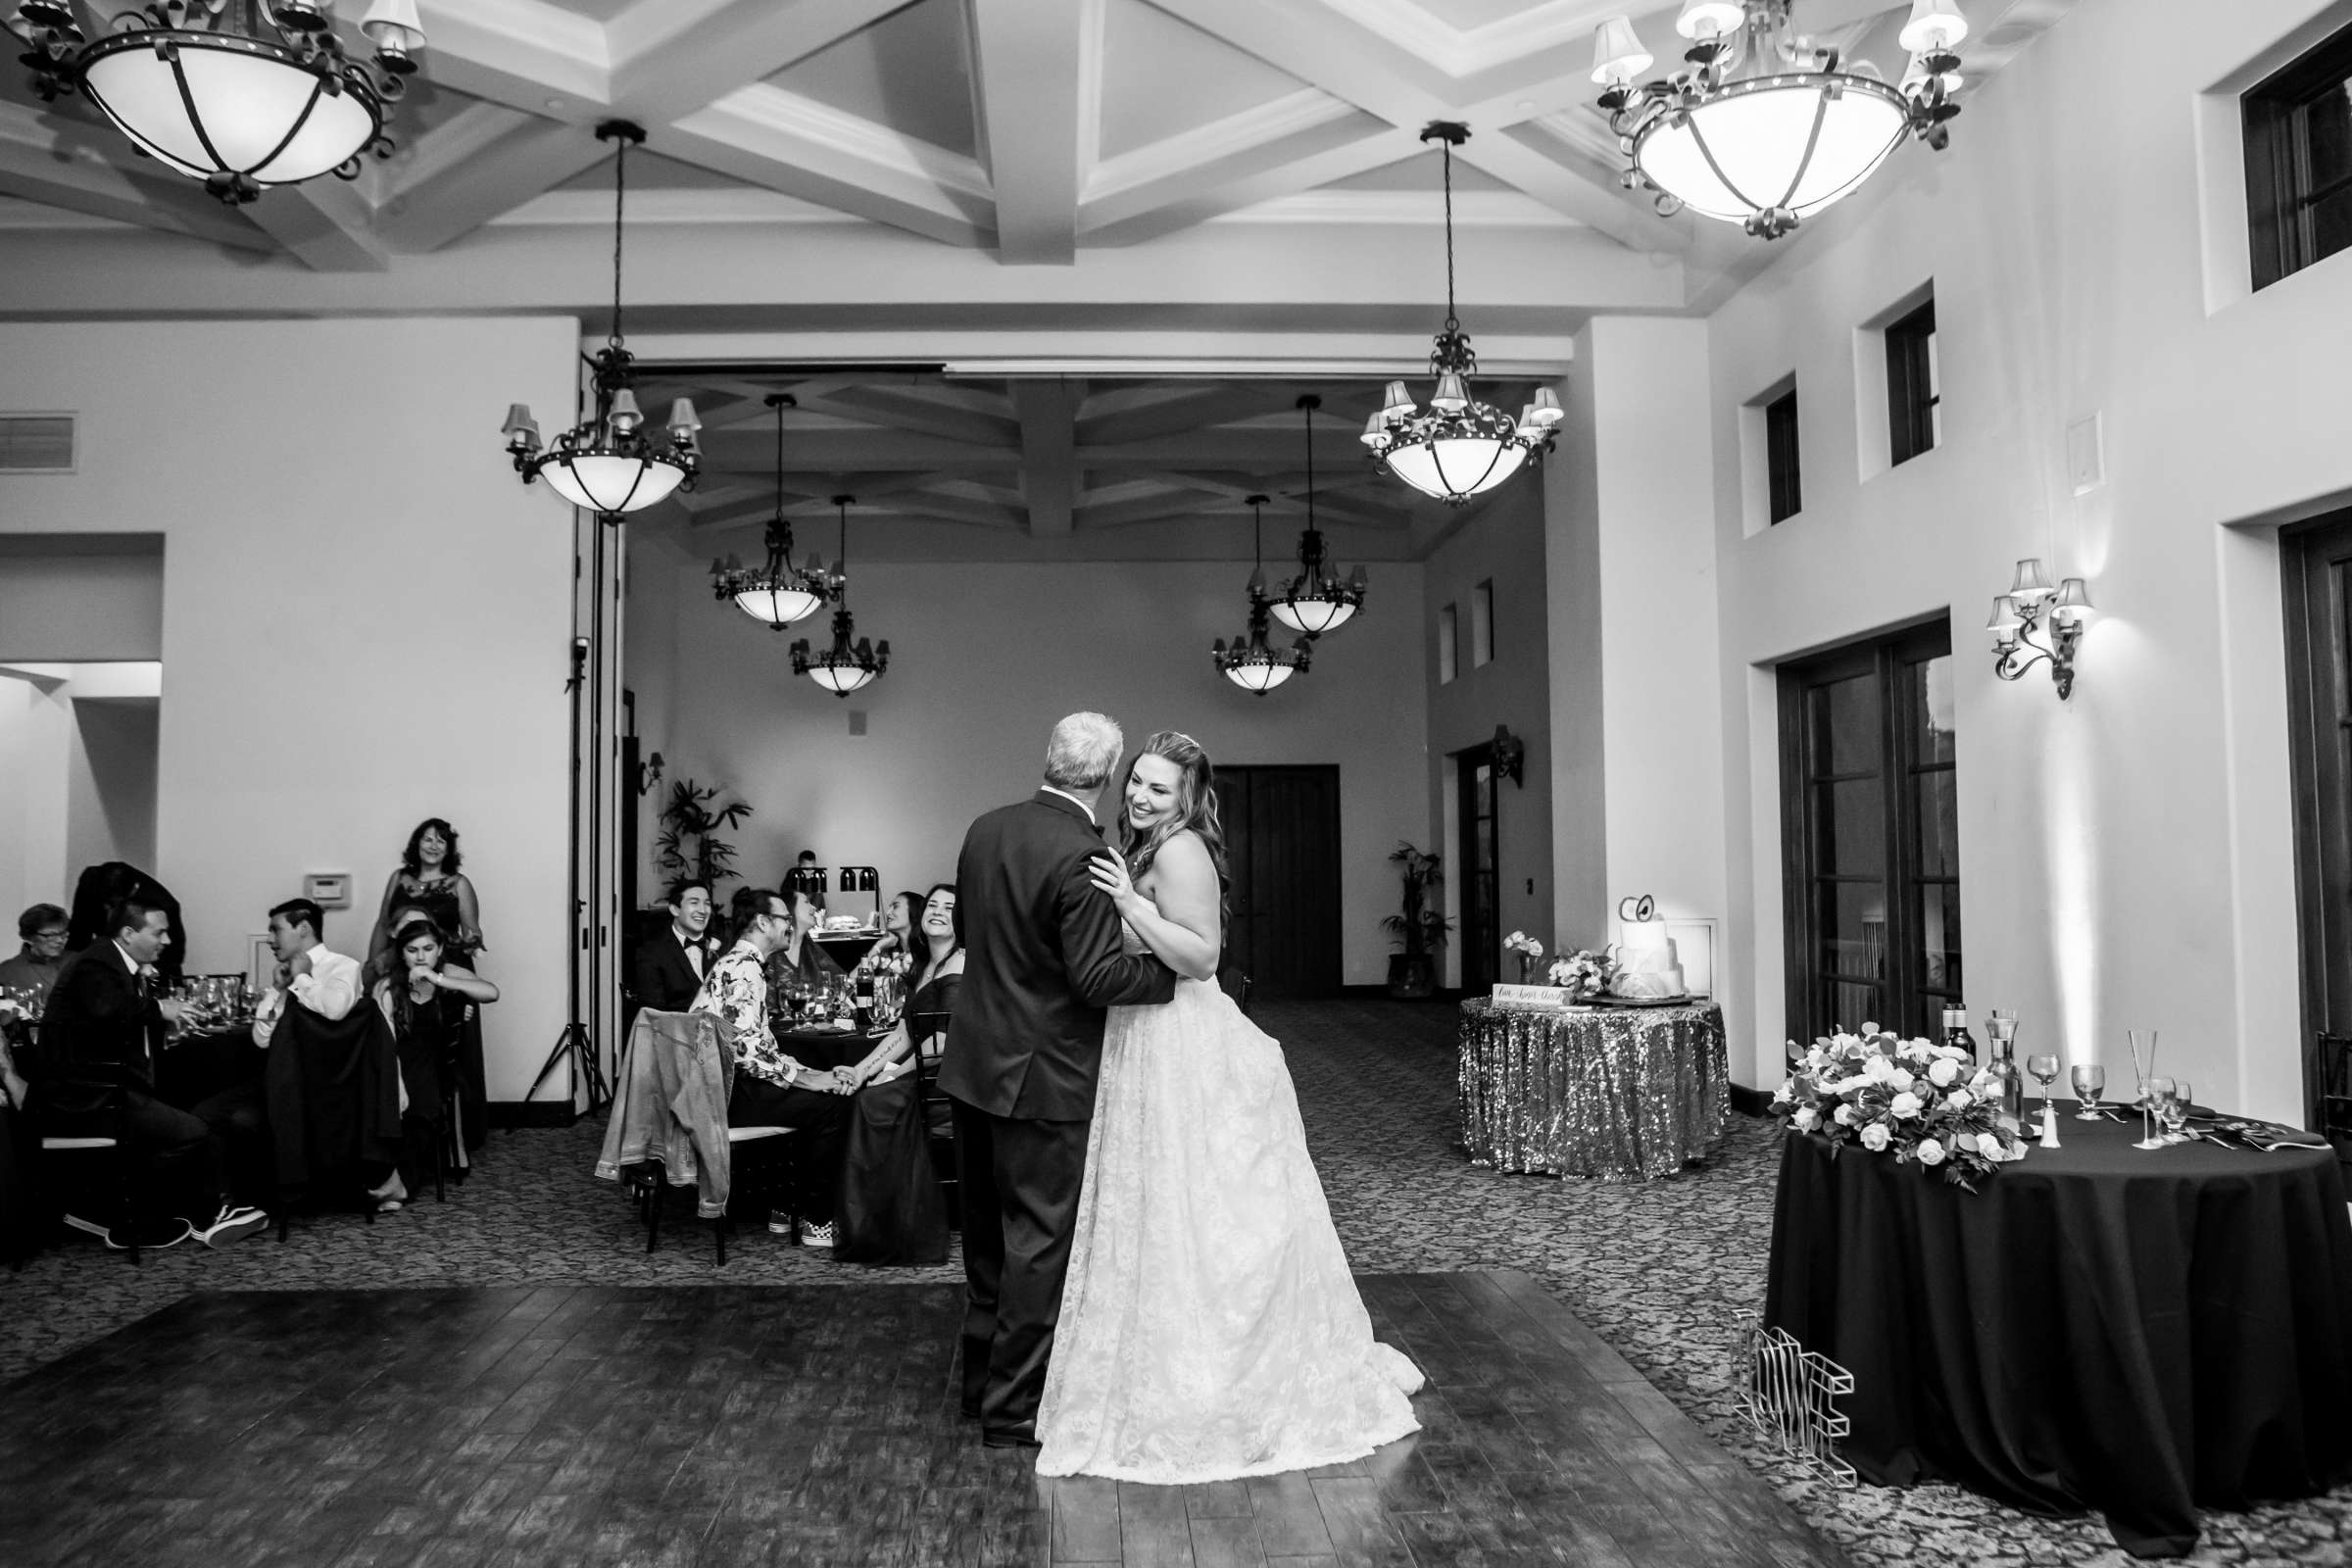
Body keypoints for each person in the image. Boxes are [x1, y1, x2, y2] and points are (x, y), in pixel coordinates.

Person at [1034, 731, 1422, 1481]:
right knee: (1158, 1204)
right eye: (1137, 783)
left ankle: (1218, 1375)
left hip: (1182, 1037)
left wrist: (1125, 906)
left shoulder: (1179, 852)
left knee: (1197, 1202)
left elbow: (1202, 956)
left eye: (1159, 789)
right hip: (1144, 1034)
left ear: (1187, 798)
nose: (1141, 797)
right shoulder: (1148, 847)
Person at [938, 712, 1179, 1449]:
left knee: (983, 1241)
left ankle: (979, 1390)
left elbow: (976, 940)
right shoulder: (1083, 854)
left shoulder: (984, 828)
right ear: (1107, 779)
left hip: (974, 1064)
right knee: (1039, 1243)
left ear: (1048, 760)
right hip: (1043, 1081)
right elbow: (1098, 977)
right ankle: (1014, 1410)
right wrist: (1173, 975)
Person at [27, 897, 269, 1250]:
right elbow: (107, 1008)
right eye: (159, 932)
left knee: (185, 1106)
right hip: (86, 1098)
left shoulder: (109, 961)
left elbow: (108, 1025)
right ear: (127, 933)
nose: (167, 941)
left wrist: (157, 1019)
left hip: (97, 1088)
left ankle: (188, 1210)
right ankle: (143, 1217)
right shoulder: (98, 962)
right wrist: (159, 1007)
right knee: (193, 1130)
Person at [692, 886, 854, 1249]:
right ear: (763, 922)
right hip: (726, 1095)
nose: (788, 926)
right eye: (783, 919)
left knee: (814, 1089)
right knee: (833, 1106)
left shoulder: (737, 963)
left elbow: (754, 1045)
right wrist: (809, 1080)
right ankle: (817, 1220)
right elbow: (746, 1054)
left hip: (723, 1087)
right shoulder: (744, 968)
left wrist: (804, 1073)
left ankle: (784, 1209)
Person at [831, 883, 960, 1265]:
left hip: (947, 1081)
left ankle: (890, 1225)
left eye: (949, 906)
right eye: (932, 903)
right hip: (922, 1071)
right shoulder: (925, 967)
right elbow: (905, 1032)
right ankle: (874, 1223)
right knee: (860, 1096)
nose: (937, 910)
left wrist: (892, 1074)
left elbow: (945, 1036)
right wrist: (860, 1069)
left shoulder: (962, 962)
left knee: (875, 1103)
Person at [370, 917, 498, 1210]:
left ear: (440, 949)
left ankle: (399, 1185)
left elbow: (492, 993)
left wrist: (437, 980)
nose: (420, 956)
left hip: (440, 1066)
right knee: (400, 1093)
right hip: (398, 1065)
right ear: (401, 952)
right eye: (412, 949)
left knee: (424, 1092)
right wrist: (397, 1084)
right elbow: (386, 1045)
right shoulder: (388, 986)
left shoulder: (449, 971)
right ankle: (392, 1179)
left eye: (428, 948)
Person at [369, 818, 482, 971]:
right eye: (428, 840)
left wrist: (472, 942)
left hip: (447, 965)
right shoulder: (398, 878)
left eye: (441, 842)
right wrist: (371, 964)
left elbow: (472, 932)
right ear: (417, 844)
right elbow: (383, 924)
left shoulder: (460, 884)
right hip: (401, 963)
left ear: (448, 849)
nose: (434, 846)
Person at [253, 899, 364, 1051]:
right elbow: (262, 1040)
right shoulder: (285, 976)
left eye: (276, 930)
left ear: (304, 929)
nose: (269, 939)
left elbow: (335, 1010)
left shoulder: (344, 966)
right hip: (289, 1070)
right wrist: (277, 989)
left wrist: (301, 978)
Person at [632, 881, 719, 1014]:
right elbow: (654, 1015)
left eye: (707, 904)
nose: (702, 910)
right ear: (675, 909)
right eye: (694, 903)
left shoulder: (722, 949)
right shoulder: (652, 953)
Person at [0, 904, 68, 1004]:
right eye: (50, 935)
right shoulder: (7, 972)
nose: (59, 940)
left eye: (62, 934)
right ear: (29, 937)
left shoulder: (76, 962)